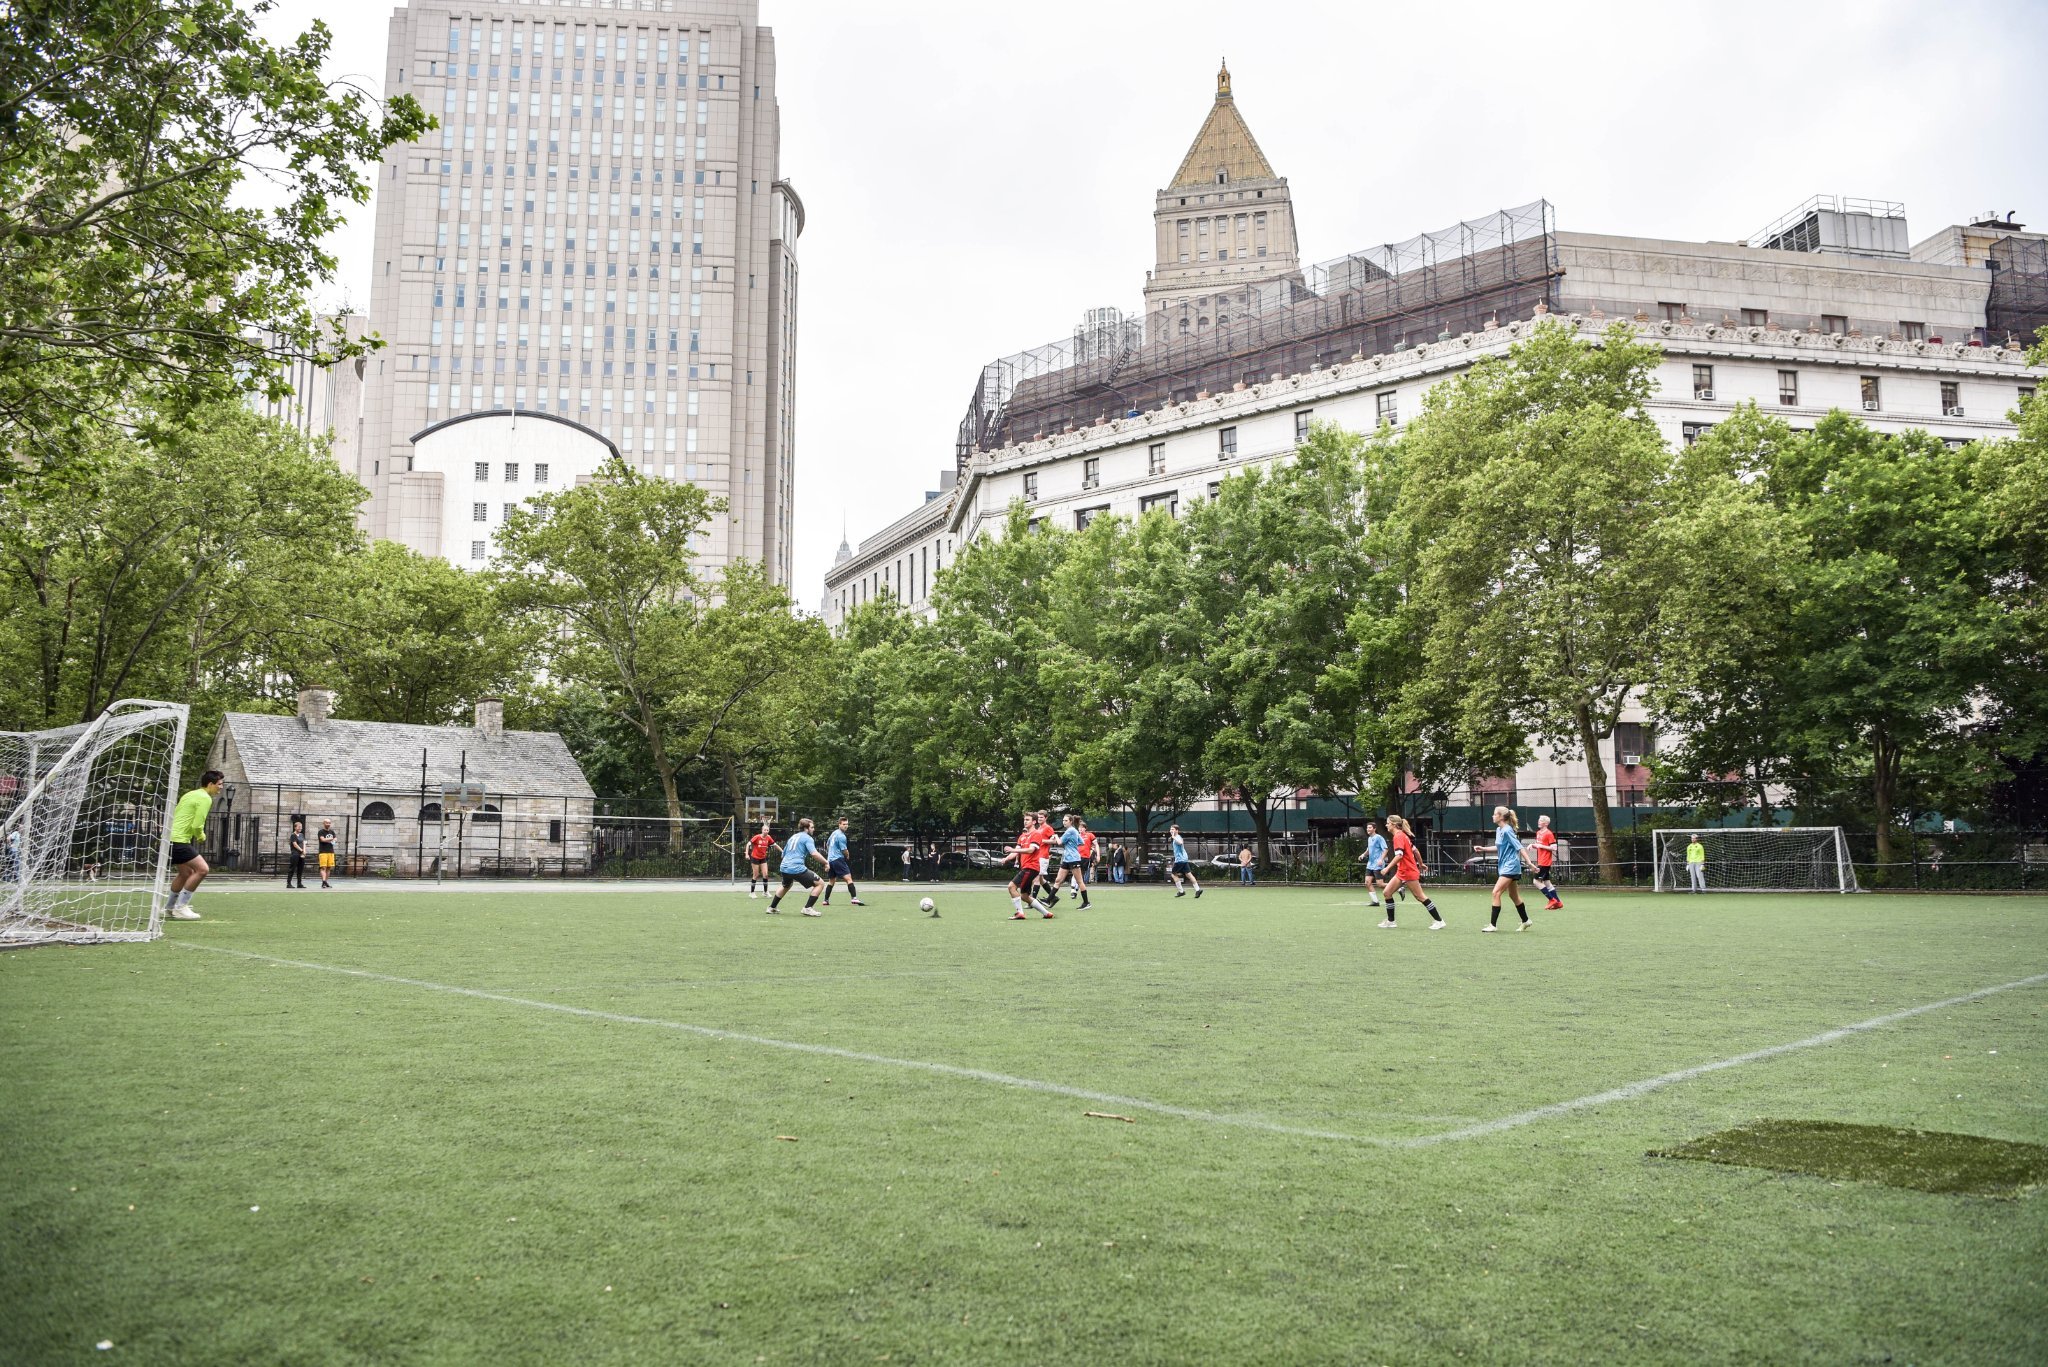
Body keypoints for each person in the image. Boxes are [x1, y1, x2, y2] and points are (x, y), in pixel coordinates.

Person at [165, 770, 225, 921]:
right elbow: (197, 825)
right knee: (203, 869)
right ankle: (181, 907)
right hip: (179, 840)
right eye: (219, 784)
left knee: (185, 873)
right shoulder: (205, 798)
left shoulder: (190, 794)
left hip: (168, 838)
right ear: (210, 784)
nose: (221, 787)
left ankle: (169, 907)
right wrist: (201, 836)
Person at [1378, 815, 1443, 929]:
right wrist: (1421, 864)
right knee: (1387, 892)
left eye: (1388, 823)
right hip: (1402, 871)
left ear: (1393, 824)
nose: (1386, 825)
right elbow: (1415, 850)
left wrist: (1387, 868)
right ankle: (1391, 921)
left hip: (1408, 871)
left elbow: (1399, 855)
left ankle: (1439, 921)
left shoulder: (1398, 836)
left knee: (1420, 896)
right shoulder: (1403, 835)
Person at [1483, 806, 1531, 932]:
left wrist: (1529, 863)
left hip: (1511, 866)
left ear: (1500, 817)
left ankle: (1493, 925)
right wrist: (1483, 849)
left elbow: (1519, 847)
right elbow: (1499, 847)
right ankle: (1526, 921)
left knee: (1496, 892)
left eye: (1494, 814)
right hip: (1505, 866)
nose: (1492, 816)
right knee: (1513, 895)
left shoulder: (1507, 830)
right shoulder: (1499, 830)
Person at [998, 809, 1053, 919]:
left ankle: (1020, 913)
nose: (1025, 821)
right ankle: (1046, 913)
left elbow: (1031, 850)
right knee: (1024, 896)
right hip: (1027, 868)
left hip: (1031, 867)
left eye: (1028, 820)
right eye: (1024, 819)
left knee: (1011, 887)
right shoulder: (1022, 836)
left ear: (1034, 822)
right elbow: (1016, 851)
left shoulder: (1036, 834)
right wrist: (1006, 859)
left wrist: (1013, 850)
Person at [767, 818, 826, 916]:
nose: (813, 829)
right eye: (812, 827)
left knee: (786, 885)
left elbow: (783, 854)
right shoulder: (808, 838)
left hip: (784, 867)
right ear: (806, 828)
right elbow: (814, 854)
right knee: (820, 883)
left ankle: (772, 907)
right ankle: (808, 908)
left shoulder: (793, 837)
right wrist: (826, 862)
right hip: (796, 868)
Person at [820, 816, 865, 906]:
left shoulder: (834, 833)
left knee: (831, 881)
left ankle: (826, 900)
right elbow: (844, 850)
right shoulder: (841, 836)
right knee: (848, 878)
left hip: (830, 860)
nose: (846, 826)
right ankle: (854, 898)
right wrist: (847, 855)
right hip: (838, 860)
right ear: (839, 824)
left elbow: (828, 844)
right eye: (844, 824)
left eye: (847, 824)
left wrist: (830, 856)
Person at [1053, 814, 1092, 909]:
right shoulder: (1074, 831)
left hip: (1073, 858)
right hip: (1067, 858)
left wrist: (1055, 836)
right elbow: (1081, 842)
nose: (1064, 822)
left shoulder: (1070, 831)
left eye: (1066, 820)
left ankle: (1086, 903)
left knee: (1079, 881)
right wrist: (1071, 843)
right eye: (1063, 820)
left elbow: (1059, 842)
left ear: (1071, 821)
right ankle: (1049, 899)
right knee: (1058, 880)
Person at [1531, 815, 1563, 910]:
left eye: (1541, 820)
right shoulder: (1538, 833)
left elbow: (1554, 847)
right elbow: (1539, 845)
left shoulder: (1549, 833)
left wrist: (1540, 846)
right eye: (1539, 820)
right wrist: (1533, 845)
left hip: (1545, 862)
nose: (1538, 821)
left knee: (1536, 881)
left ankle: (1552, 899)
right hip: (1541, 860)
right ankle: (1558, 903)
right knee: (1547, 882)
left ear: (1546, 823)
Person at [1358, 821, 1389, 910]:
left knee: (1380, 884)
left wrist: (1381, 859)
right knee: (1367, 882)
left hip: (1377, 864)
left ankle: (1398, 888)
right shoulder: (1369, 838)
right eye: (1367, 828)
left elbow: (1386, 849)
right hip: (1370, 864)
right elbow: (1368, 850)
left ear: (1374, 829)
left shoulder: (1379, 837)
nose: (1368, 829)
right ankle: (1375, 901)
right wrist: (1363, 855)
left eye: (1370, 828)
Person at [1167, 824, 1203, 899]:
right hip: (1184, 859)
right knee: (1189, 874)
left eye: (1173, 829)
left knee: (1173, 875)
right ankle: (1198, 889)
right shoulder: (1178, 837)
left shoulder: (1177, 837)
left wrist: (1173, 837)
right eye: (1170, 829)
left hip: (1180, 860)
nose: (1171, 831)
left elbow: (1180, 842)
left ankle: (1181, 891)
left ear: (1177, 830)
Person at [745, 824, 774, 898]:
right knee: (756, 875)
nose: (766, 831)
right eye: (765, 830)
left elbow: (775, 845)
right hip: (755, 857)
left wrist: (782, 851)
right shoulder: (757, 837)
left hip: (763, 858)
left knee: (765, 874)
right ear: (762, 830)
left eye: (767, 830)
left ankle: (765, 892)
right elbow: (748, 844)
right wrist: (747, 854)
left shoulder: (768, 837)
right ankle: (752, 892)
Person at [285, 820, 307, 890]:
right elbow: (295, 844)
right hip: (295, 854)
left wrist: (304, 851)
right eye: (299, 827)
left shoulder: (302, 835)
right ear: (295, 827)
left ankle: (299, 884)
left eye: (301, 827)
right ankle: (288, 883)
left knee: (300, 869)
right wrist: (301, 850)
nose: (300, 828)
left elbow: (304, 843)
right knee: (292, 868)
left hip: (301, 855)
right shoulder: (293, 835)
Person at [316, 819, 337, 889]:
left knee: (329, 868)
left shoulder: (332, 831)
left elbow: (335, 839)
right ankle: (324, 881)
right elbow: (322, 839)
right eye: (327, 823)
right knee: (323, 867)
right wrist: (331, 839)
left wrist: (333, 839)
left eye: (329, 823)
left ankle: (325, 882)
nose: (328, 824)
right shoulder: (321, 832)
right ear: (324, 823)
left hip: (331, 852)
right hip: (323, 852)